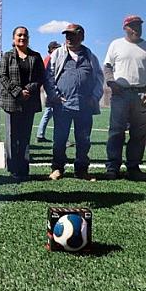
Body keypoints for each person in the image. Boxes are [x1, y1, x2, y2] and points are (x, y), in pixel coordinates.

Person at [102, 15, 146, 181]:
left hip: (142, 94)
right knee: (116, 132)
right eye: (132, 25)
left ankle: (133, 167)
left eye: (138, 25)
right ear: (125, 28)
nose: (136, 28)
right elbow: (107, 67)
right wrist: (111, 83)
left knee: (139, 133)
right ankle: (112, 167)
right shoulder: (116, 44)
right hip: (120, 93)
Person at [43, 24, 103, 181]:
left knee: (84, 140)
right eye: (67, 35)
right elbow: (48, 76)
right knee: (59, 139)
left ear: (81, 37)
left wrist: (95, 97)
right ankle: (57, 168)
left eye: (72, 35)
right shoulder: (57, 54)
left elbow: (99, 78)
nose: (68, 38)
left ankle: (82, 170)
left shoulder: (90, 56)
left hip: (84, 106)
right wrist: (54, 96)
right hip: (62, 105)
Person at [0, 26, 44, 182]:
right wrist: (18, 91)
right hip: (11, 101)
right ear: (13, 39)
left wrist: (28, 90)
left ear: (28, 38)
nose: (22, 38)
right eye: (19, 35)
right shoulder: (7, 56)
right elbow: (2, 76)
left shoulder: (36, 57)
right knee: (12, 136)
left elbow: (40, 77)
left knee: (24, 136)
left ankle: (23, 169)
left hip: (29, 102)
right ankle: (12, 168)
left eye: (25, 35)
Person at [35, 41, 61, 143]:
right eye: (56, 47)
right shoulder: (49, 58)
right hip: (50, 89)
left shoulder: (51, 58)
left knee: (49, 112)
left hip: (51, 89)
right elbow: (46, 75)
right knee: (51, 112)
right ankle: (41, 135)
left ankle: (41, 134)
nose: (58, 49)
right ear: (52, 49)